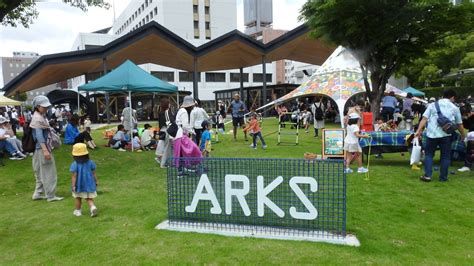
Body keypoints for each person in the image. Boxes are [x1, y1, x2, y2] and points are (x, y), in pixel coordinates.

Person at [415, 89, 466, 182]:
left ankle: (427, 175)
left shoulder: (433, 105)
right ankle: (443, 177)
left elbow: (424, 119)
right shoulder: (454, 108)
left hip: (431, 134)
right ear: (452, 97)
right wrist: (463, 134)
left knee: (429, 154)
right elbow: (459, 124)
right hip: (446, 135)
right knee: (445, 156)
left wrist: (418, 130)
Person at [30, 95, 63, 201]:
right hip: (42, 148)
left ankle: (38, 193)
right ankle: (51, 195)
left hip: (38, 149)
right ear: (38, 106)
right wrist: (45, 151)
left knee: (39, 171)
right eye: (44, 107)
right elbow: (39, 136)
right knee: (49, 172)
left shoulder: (38, 116)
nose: (46, 108)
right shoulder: (38, 118)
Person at [70, 143, 99, 217]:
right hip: (89, 184)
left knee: (78, 198)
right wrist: (96, 181)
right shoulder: (90, 162)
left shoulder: (74, 164)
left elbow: (74, 176)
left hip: (79, 185)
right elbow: (94, 173)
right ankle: (93, 207)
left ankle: (78, 211)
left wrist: (73, 186)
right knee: (89, 198)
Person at [156, 98, 175, 168]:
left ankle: (164, 161)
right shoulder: (167, 112)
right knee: (167, 148)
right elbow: (169, 122)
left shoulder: (161, 112)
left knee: (166, 147)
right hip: (167, 131)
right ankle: (164, 163)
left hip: (163, 130)